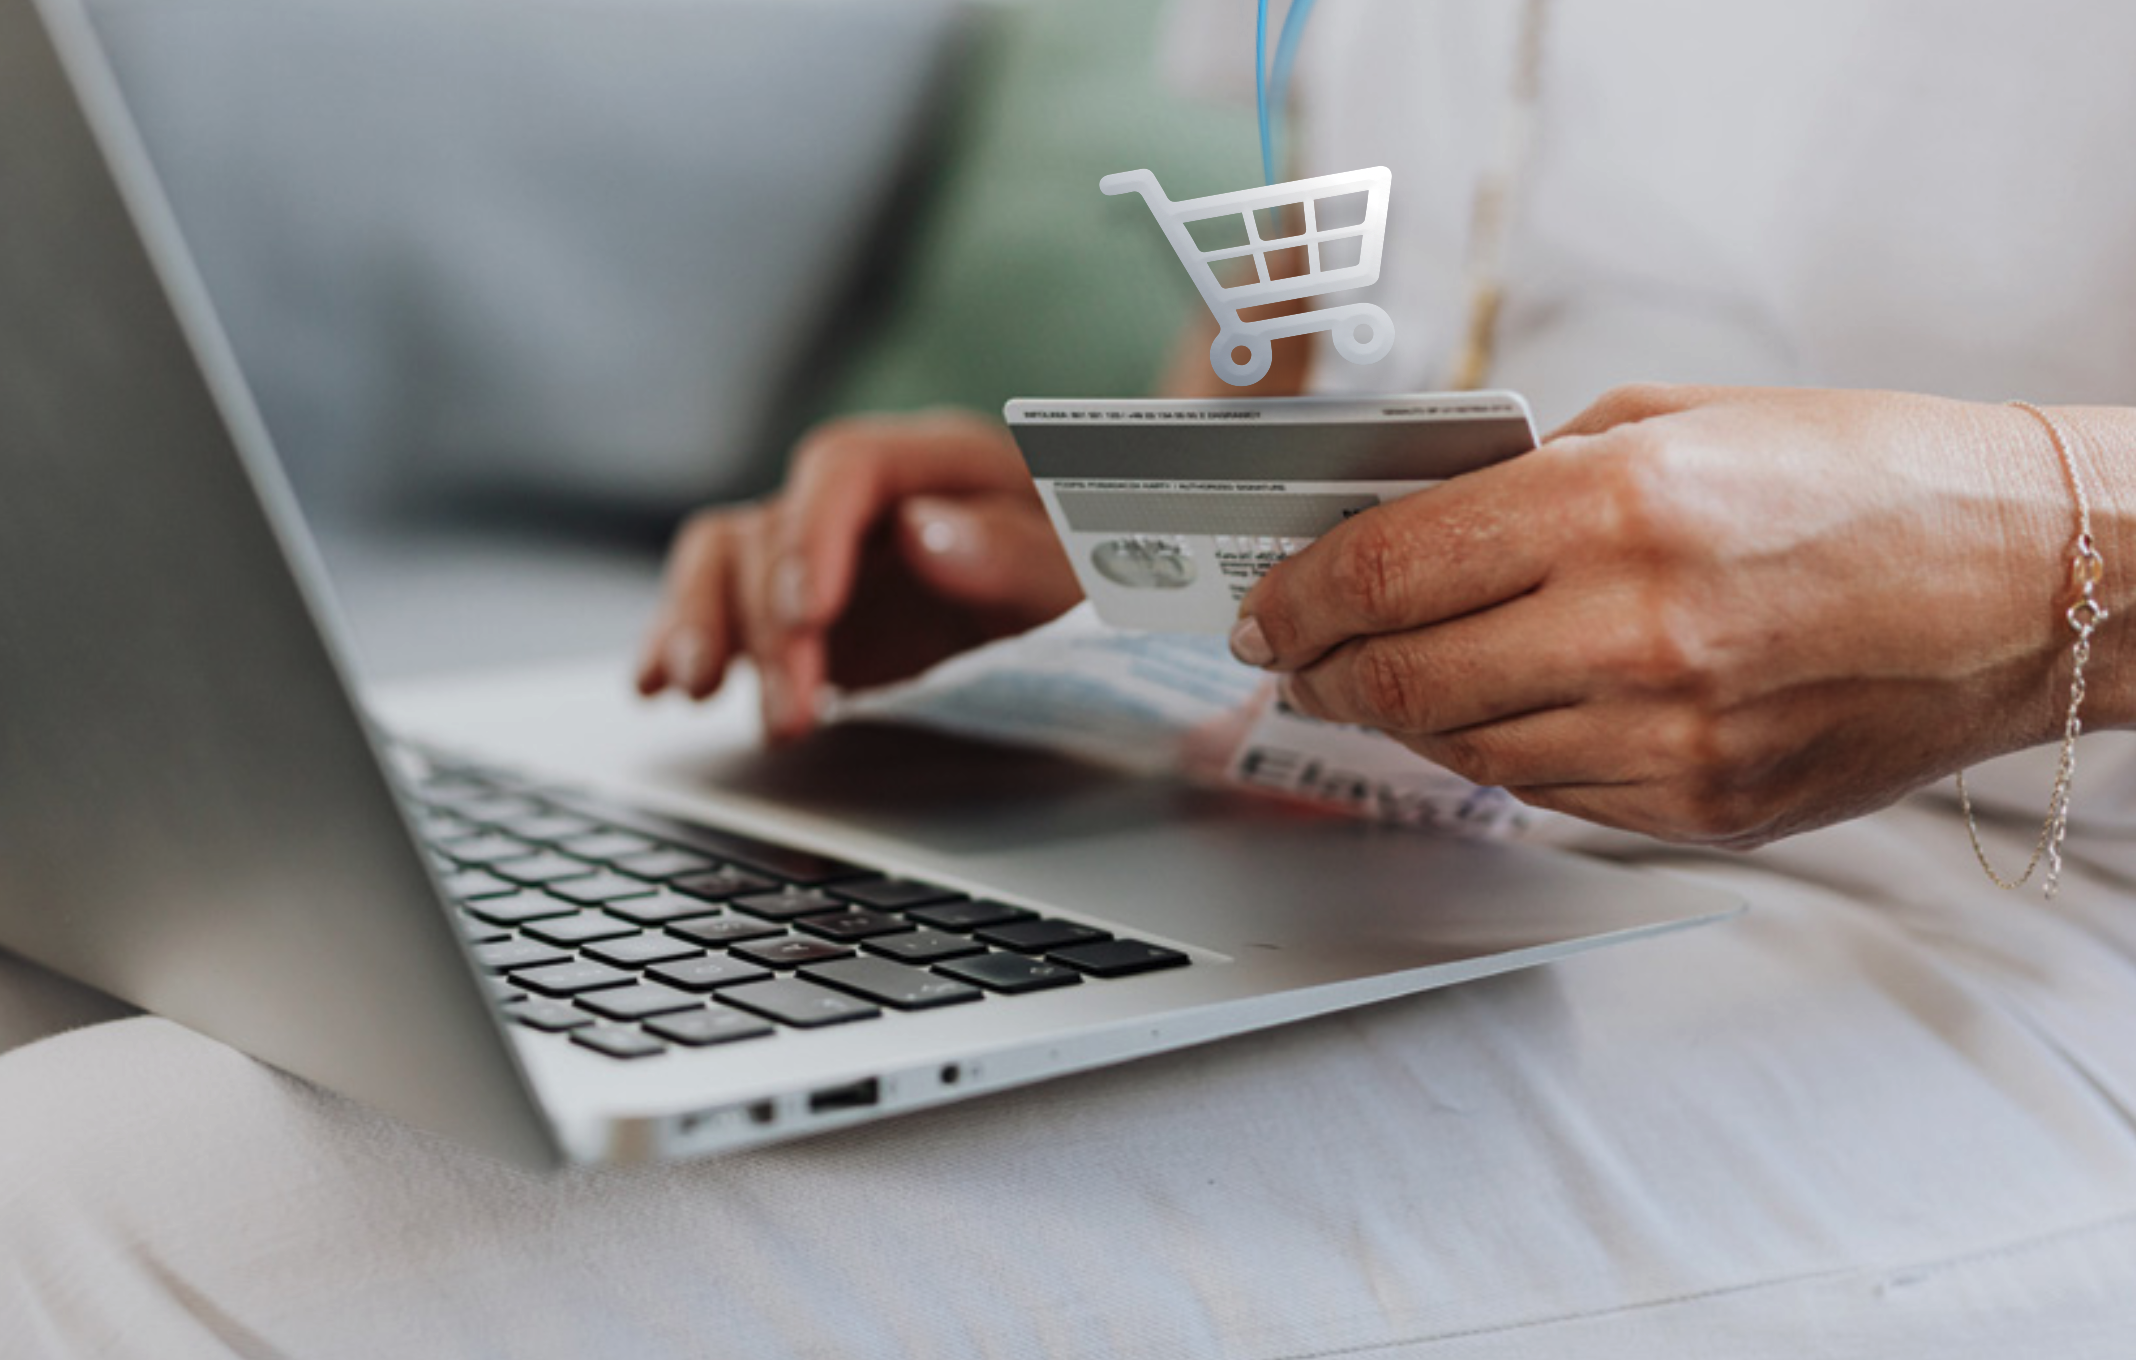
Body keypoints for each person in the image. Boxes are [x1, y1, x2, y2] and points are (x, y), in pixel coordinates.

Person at [9, 2, 2136, 1354]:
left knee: (87, 1230)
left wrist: (2047, 553)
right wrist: (1137, 547)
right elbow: (1335, 305)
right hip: (1375, 809)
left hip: (2016, 902)